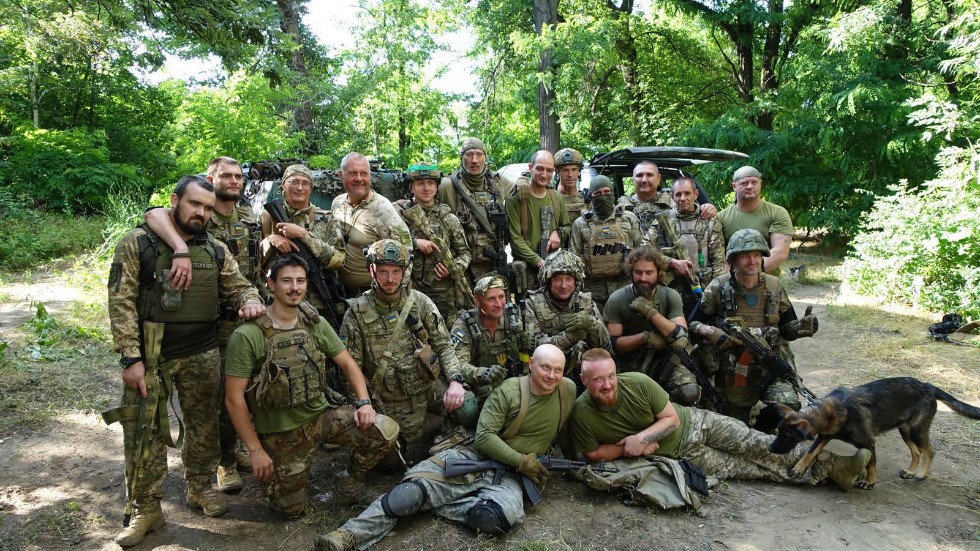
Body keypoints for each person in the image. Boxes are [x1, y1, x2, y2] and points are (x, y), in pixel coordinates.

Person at [106, 176, 265, 547]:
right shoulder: (137, 243)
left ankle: (199, 485)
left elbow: (238, 285)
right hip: (152, 356)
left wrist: (250, 299)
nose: (201, 213)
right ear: (175, 201)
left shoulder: (215, 249)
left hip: (203, 351)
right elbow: (121, 301)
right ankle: (146, 507)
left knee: (204, 425)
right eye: (195, 204)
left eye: (208, 207)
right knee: (144, 431)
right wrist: (130, 357)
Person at [314, 344, 576, 551]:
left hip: (511, 477)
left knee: (492, 519)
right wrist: (521, 460)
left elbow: (562, 428)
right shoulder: (509, 391)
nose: (551, 376)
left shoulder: (568, 390)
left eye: (558, 370)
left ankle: (440, 500)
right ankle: (349, 534)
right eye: (545, 368)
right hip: (474, 456)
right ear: (531, 365)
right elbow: (484, 437)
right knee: (407, 495)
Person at [223, 254, 399, 517]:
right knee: (292, 511)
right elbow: (233, 400)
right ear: (271, 284)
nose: (295, 287)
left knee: (384, 429)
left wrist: (364, 404)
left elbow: (348, 364)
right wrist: (256, 451)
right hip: (280, 434)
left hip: (320, 417)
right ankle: (286, 472)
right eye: (286, 281)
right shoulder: (248, 335)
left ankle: (349, 480)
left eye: (300, 281)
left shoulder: (313, 322)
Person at [569, 349, 871, 491]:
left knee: (759, 444)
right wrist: (626, 449)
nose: (607, 384)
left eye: (610, 376)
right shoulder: (583, 413)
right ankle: (825, 475)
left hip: (697, 423)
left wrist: (642, 439)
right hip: (683, 455)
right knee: (752, 469)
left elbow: (671, 418)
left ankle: (834, 463)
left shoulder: (636, 382)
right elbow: (592, 454)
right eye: (597, 380)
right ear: (584, 379)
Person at [142, 156, 263, 492]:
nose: (234, 181)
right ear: (210, 179)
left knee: (232, 396)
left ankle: (227, 454)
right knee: (209, 404)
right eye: (226, 176)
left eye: (239, 176)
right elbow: (153, 214)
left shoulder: (248, 214)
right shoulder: (194, 219)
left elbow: (247, 271)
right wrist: (180, 247)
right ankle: (221, 466)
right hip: (202, 326)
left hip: (240, 318)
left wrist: (254, 300)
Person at [340, 239, 465, 465]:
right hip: (387, 398)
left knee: (468, 407)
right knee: (390, 464)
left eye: (396, 272)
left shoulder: (420, 302)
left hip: (427, 386)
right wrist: (364, 404)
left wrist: (456, 381)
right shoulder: (356, 312)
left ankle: (447, 438)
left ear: (404, 271)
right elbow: (350, 368)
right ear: (372, 270)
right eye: (384, 271)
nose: (390, 279)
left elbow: (445, 345)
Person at [689, 229, 818, 425]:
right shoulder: (718, 287)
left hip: (769, 363)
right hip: (731, 368)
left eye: (756, 255)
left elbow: (786, 329)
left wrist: (800, 328)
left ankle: (763, 426)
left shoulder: (774, 286)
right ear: (732, 260)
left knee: (788, 404)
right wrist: (709, 331)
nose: (752, 261)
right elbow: (692, 323)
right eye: (745, 256)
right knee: (731, 423)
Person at [603, 246, 701, 406]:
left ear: (658, 273)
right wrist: (645, 338)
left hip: (667, 359)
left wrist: (651, 313)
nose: (643, 278)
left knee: (689, 391)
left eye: (649, 273)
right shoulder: (618, 299)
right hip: (631, 361)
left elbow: (681, 338)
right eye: (638, 272)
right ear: (631, 272)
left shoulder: (670, 295)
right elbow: (614, 345)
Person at [259, 163, 346, 316]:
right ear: (283, 186)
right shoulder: (267, 217)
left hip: (318, 305)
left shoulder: (327, 219)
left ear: (310, 189)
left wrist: (304, 235)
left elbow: (338, 260)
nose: (300, 187)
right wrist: (270, 240)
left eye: (305, 183)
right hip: (275, 304)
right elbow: (251, 261)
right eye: (294, 182)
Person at [449, 274, 532, 426]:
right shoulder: (464, 325)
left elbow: (528, 354)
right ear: (477, 301)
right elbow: (457, 364)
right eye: (491, 299)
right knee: (466, 409)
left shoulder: (513, 318)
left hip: (512, 379)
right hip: (479, 385)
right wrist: (483, 373)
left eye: (501, 297)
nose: (498, 304)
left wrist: (532, 344)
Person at [523, 249, 608, 392]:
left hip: (581, 374)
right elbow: (532, 345)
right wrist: (569, 337)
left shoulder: (585, 302)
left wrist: (591, 324)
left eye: (569, 279)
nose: (563, 285)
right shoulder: (533, 303)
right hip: (546, 373)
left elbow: (605, 347)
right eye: (557, 279)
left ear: (576, 281)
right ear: (548, 281)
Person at [394, 163, 471, 321]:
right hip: (409, 289)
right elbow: (390, 246)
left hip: (444, 293)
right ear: (411, 187)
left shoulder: (448, 218)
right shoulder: (400, 217)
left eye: (430, 183)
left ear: (436, 187)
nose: (426, 188)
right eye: (420, 183)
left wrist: (452, 268)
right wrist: (415, 243)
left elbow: (465, 253)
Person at [331, 152, 413, 295]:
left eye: (364, 173)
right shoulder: (338, 203)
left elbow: (407, 254)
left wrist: (391, 294)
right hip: (341, 292)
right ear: (340, 175)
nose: (359, 179)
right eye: (353, 173)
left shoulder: (383, 209)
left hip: (374, 295)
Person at [438, 138, 513, 283]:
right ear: (461, 158)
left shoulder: (498, 182)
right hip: (462, 266)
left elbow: (525, 189)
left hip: (493, 264)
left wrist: (524, 179)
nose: (474, 160)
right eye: (469, 154)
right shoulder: (447, 186)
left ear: (485, 158)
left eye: (479, 155)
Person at [569, 175, 642, 311]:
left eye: (606, 192)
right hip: (593, 292)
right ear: (591, 196)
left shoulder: (628, 218)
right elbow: (574, 260)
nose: (603, 196)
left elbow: (642, 252)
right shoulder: (580, 223)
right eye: (598, 193)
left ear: (613, 193)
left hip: (625, 288)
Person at [506, 150, 570, 286]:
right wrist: (539, 262)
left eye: (549, 170)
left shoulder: (556, 197)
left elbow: (567, 226)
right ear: (530, 168)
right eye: (539, 168)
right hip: (527, 272)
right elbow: (515, 239)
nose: (544, 174)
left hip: (553, 269)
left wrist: (558, 233)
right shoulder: (516, 199)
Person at [717, 166, 793, 276]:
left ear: (760, 184)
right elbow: (717, 256)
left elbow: (780, 252)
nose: (750, 186)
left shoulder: (777, 213)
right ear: (734, 186)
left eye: (754, 182)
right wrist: (735, 278)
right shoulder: (721, 218)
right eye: (744, 183)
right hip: (732, 285)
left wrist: (749, 275)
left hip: (767, 284)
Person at [619, 161, 716, 235]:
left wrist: (708, 208)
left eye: (649, 175)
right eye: (639, 175)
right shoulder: (621, 208)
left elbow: (694, 216)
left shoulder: (674, 201)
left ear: (659, 179)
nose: (644, 180)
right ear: (633, 180)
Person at [554, 147, 587, 226]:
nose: (570, 175)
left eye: (574, 169)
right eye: (565, 170)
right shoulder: (551, 198)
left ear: (579, 172)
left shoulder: (587, 199)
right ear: (558, 173)